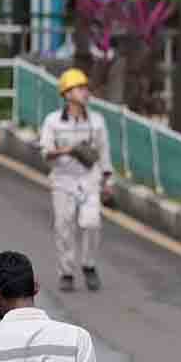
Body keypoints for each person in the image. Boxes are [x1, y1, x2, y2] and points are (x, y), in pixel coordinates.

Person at [39, 68, 113, 293]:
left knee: (91, 223)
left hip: (89, 179)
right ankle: (67, 272)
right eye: (79, 88)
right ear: (67, 93)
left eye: (85, 88)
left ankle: (89, 265)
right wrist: (68, 150)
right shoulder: (53, 122)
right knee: (64, 226)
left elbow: (104, 153)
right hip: (63, 179)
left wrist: (108, 181)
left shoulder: (97, 122)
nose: (85, 92)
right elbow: (46, 153)